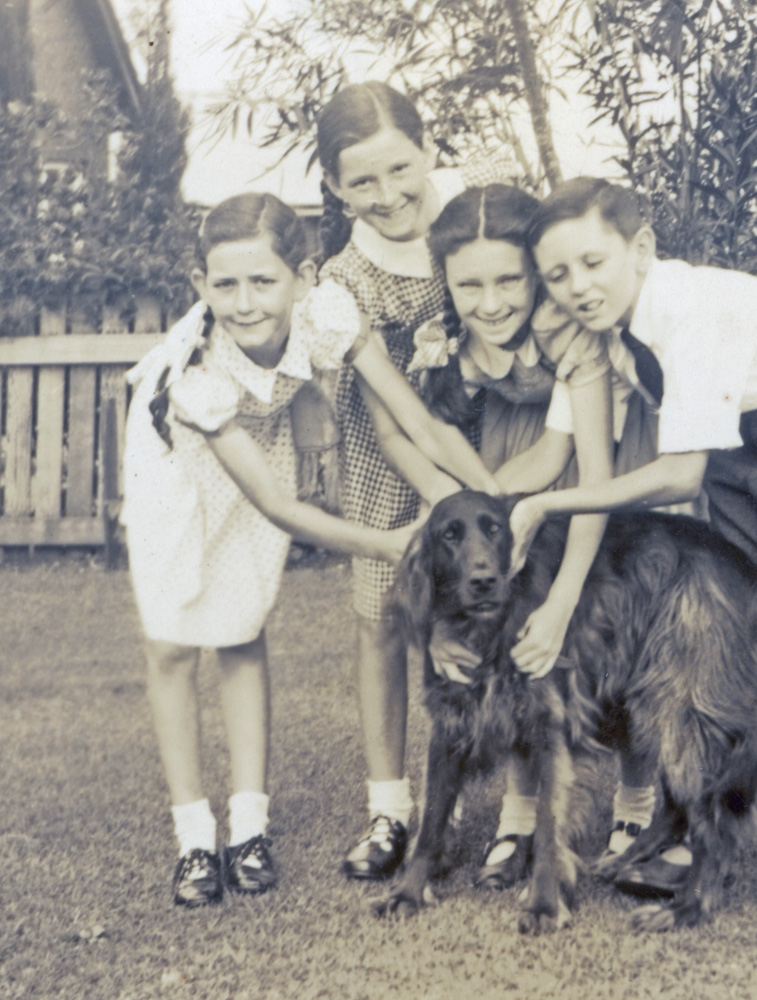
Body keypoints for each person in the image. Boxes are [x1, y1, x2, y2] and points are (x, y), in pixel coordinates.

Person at [123, 192, 495, 907]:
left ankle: (249, 828)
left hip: (256, 443)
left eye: (263, 281)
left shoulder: (328, 312)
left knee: (241, 626)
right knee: (172, 643)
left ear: (303, 274)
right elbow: (280, 506)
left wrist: (477, 495)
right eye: (223, 284)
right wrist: (390, 542)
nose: (244, 301)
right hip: (174, 459)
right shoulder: (194, 371)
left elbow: (410, 413)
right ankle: (195, 837)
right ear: (198, 285)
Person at [509, 177, 757, 913]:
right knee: (738, 631)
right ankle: (714, 817)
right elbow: (566, 447)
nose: (578, 286)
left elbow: (678, 476)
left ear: (639, 250)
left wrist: (549, 503)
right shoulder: (609, 335)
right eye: (558, 274)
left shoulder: (689, 313)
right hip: (741, 437)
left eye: (592, 262)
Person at [412, 183, 666, 889]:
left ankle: (637, 803)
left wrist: (560, 603)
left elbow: (577, 464)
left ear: (536, 276)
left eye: (509, 282)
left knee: (608, 637)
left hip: (604, 469)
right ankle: (518, 817)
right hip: (511, 463)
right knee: (513, 645)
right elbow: (429, 445)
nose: (491, 302)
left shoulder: (570, 332)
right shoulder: (448, 341)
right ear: (448, 283)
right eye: (470, 285)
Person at [313, 82, 506, 880]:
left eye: (400, 169)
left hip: (484, 439)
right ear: (333, 187)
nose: (387, 195)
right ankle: (390, 808)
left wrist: (492, 492)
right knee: (385, 623)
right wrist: (447, 498)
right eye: (361, 182)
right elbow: (396, 418)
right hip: (390, 455)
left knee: (490, 614)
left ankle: (482, 808)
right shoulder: (341, 282)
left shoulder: (471, 219)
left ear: (429, 152)